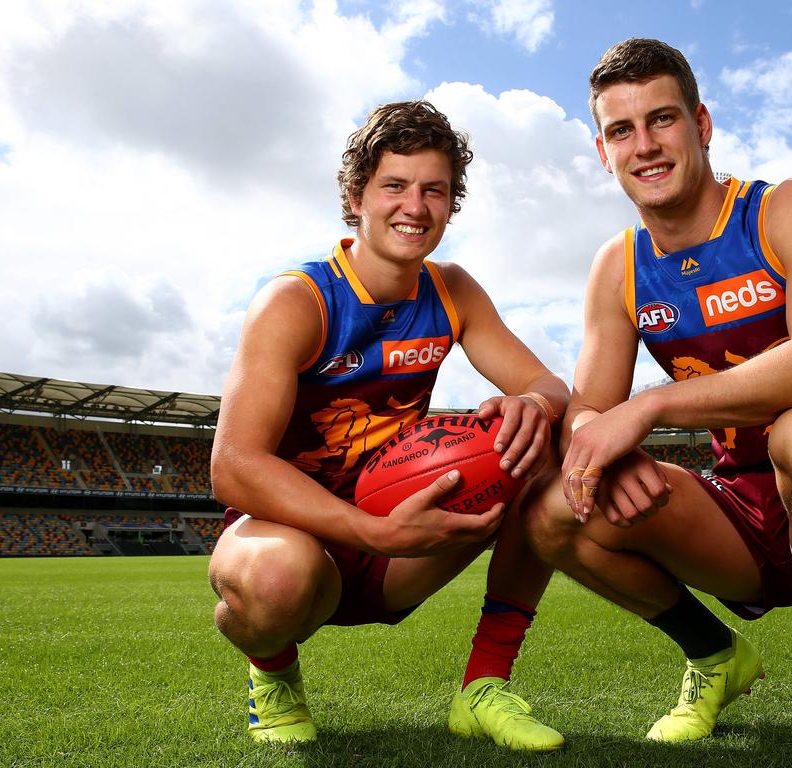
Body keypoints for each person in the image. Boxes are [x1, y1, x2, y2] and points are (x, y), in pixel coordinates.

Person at [524, 39, 792, 767]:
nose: (644, 146)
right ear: (601, 151)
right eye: (622, 130)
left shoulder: (786, 207)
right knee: (558, 507)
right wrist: (599, 441)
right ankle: (714, 657)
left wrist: (650, 409)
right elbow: (587, 412)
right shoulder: (617, 265)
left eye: (662, 120)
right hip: (739, 517)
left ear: (702, 123)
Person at [208, 100, 568, 752]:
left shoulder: (452, 290)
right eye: (395, 186)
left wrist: (533, 407)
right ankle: (274, 672)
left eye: (434, 190)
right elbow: (233, 463)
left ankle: (484, 686)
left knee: (535, 449)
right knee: (275, 584)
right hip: (298, 537)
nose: (416, 206)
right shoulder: (298, 301)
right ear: (356, 196)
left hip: (400, 537)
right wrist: (370, 528)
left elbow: (548, 387)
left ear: (451, 203)